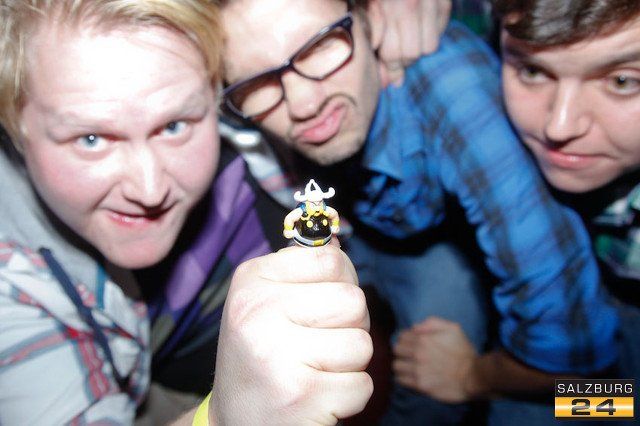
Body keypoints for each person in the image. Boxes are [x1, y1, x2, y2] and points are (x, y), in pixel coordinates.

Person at [218, 0, 620, 424]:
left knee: (576, 407)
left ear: (375, 22)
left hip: (597, 352)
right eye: (255, 82)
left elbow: (571, 347)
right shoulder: (239, 116)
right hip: (378, 229)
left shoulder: (457, 97)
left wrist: (471, 377)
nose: (303, 104)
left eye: (320, 44)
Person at [0, 1, 374, 425]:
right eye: (90, 139)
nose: (150, 190)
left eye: (174, 125)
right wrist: (223, 418)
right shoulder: (13, 283)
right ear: (14, 126)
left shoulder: (242, 101)